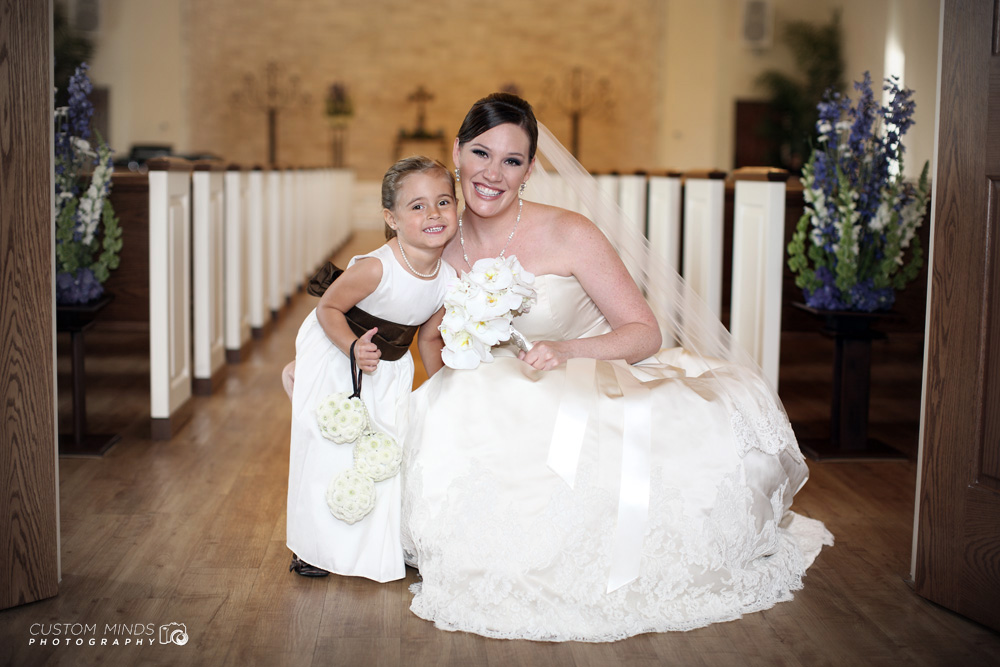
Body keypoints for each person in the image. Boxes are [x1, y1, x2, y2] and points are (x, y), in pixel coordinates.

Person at [400, 93, 833, 641]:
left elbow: (644, 332)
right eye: (481, 154)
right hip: (491, 397)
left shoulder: (568, 232)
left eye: (512, 161)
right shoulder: (434, 236)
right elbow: (423, 343)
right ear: (456, 152)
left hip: (590, 379)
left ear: (531, 169)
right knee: (461, 405)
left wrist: (568, 352)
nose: (493, 173)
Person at [286, 156, 458, 581]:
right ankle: (311, 548)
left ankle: (372, 544)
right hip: (337, 351)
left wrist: (442, 391)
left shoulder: (449, 278)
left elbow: (429, 338)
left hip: (390, 367)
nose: (432, 214)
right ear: (391, 218)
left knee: (381, 454)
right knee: (330, 450)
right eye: (416, 206)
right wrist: (352, 349)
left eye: (443, 202)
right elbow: (328, 307)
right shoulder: (378, 266)